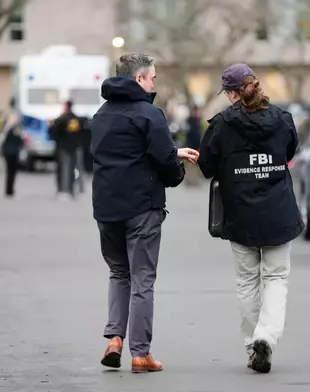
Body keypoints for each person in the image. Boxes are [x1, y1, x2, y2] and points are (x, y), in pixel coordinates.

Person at [90, 52, 199, 373]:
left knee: (118, 273)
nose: (154, 83)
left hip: (106, 208)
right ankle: (140, 353)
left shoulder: (101, 115)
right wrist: (176, 167)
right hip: (141, 208)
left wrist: (169, 152)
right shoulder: (150, 114)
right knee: (143, 279)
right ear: (138, 79)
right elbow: (164, 161)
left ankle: (114, 339)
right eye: (152, 77)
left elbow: (121, 152)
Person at [197, 63, 303, 373]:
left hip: (240, 214)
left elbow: (206, 167)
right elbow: (289, 152)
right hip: (278, 213)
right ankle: (266, 337)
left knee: (247, 281)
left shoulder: (221, 125)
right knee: (276, 278)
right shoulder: (282, 120)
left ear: (231, 94)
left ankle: (252, 344)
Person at [48, 100, 83, 200]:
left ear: (66, 107)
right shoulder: (76, 119)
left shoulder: (61, 119)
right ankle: (71, 190)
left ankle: (63, 190)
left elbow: (53, 132)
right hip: (74, 147)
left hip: (63, 148)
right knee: (72, 169)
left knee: (64, 170)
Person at [0, 111, 24, 197]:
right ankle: (9, 189)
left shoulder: (16, 128)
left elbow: (21, 140)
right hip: (9, 152)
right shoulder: (7, 128)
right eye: (12, 118)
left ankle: (10, 189)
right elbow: (2, 139)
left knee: (13, 172)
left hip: (14, 152)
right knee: (10, 171)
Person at [184, 105, 204, 186]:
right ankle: (190, 180)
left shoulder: (196, 121)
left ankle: (193, 180)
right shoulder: (192, 121)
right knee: (191, 163)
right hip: (192, 145)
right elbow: (192, 135)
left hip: (196, 145)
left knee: (194, 163)